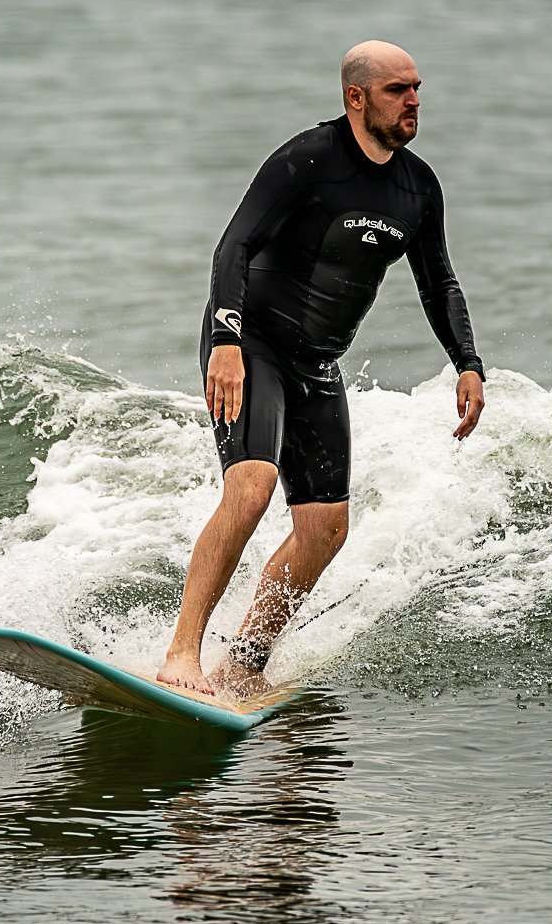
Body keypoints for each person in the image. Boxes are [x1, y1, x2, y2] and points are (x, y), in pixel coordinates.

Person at [157, 41, 486, 697]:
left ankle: (244, 664)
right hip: (251, 343)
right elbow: (234, 245)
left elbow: (438, 280)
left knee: (325, 530)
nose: (414, 100)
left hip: (316, 363)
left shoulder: (417, 187)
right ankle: (181, 656)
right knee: (251, 486)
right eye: (398, 90)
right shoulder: (307, 160)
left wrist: (467, 364)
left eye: (417, 87)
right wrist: (226, 339)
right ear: (355, 98)